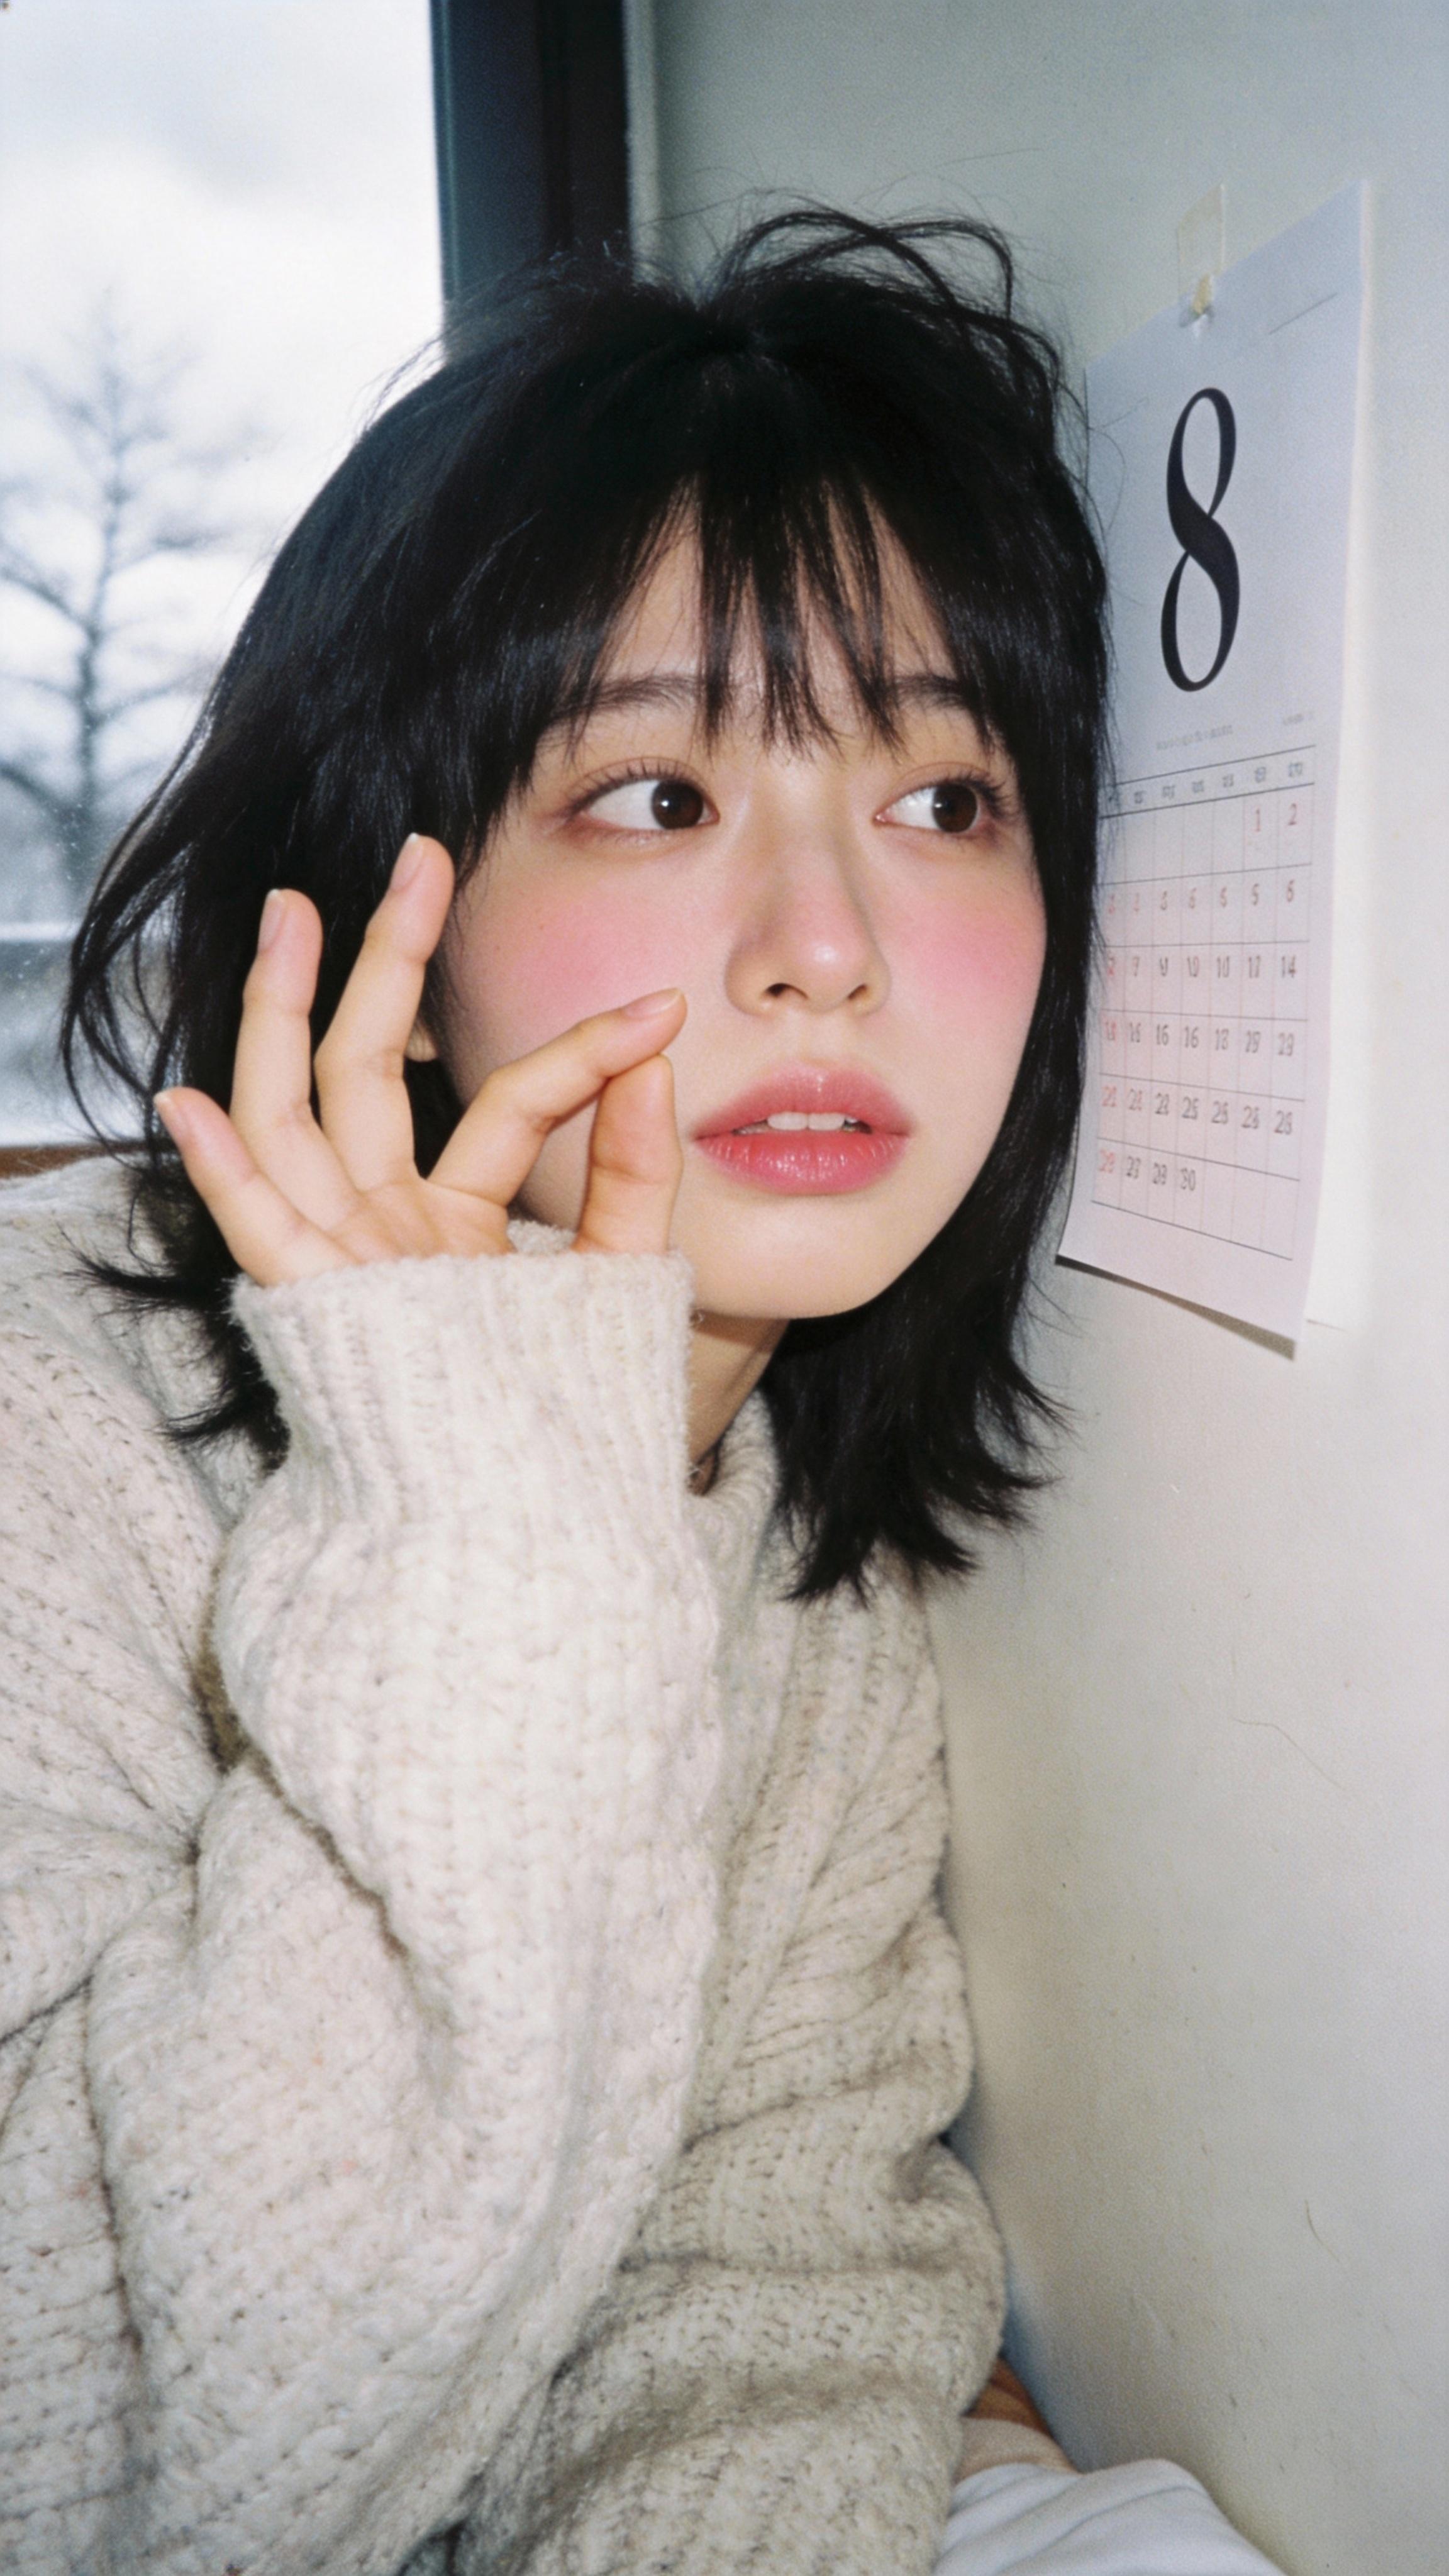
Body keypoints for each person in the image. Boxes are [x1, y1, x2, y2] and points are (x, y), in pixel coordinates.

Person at [0, 214, 1284, 2576]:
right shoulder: (41, 1433)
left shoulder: (810, 1601)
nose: (828, 950)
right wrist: (472, 1529)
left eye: (946, 800)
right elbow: (97, 2462)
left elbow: (764, 2293)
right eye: (660, 800)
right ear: (392, 917)